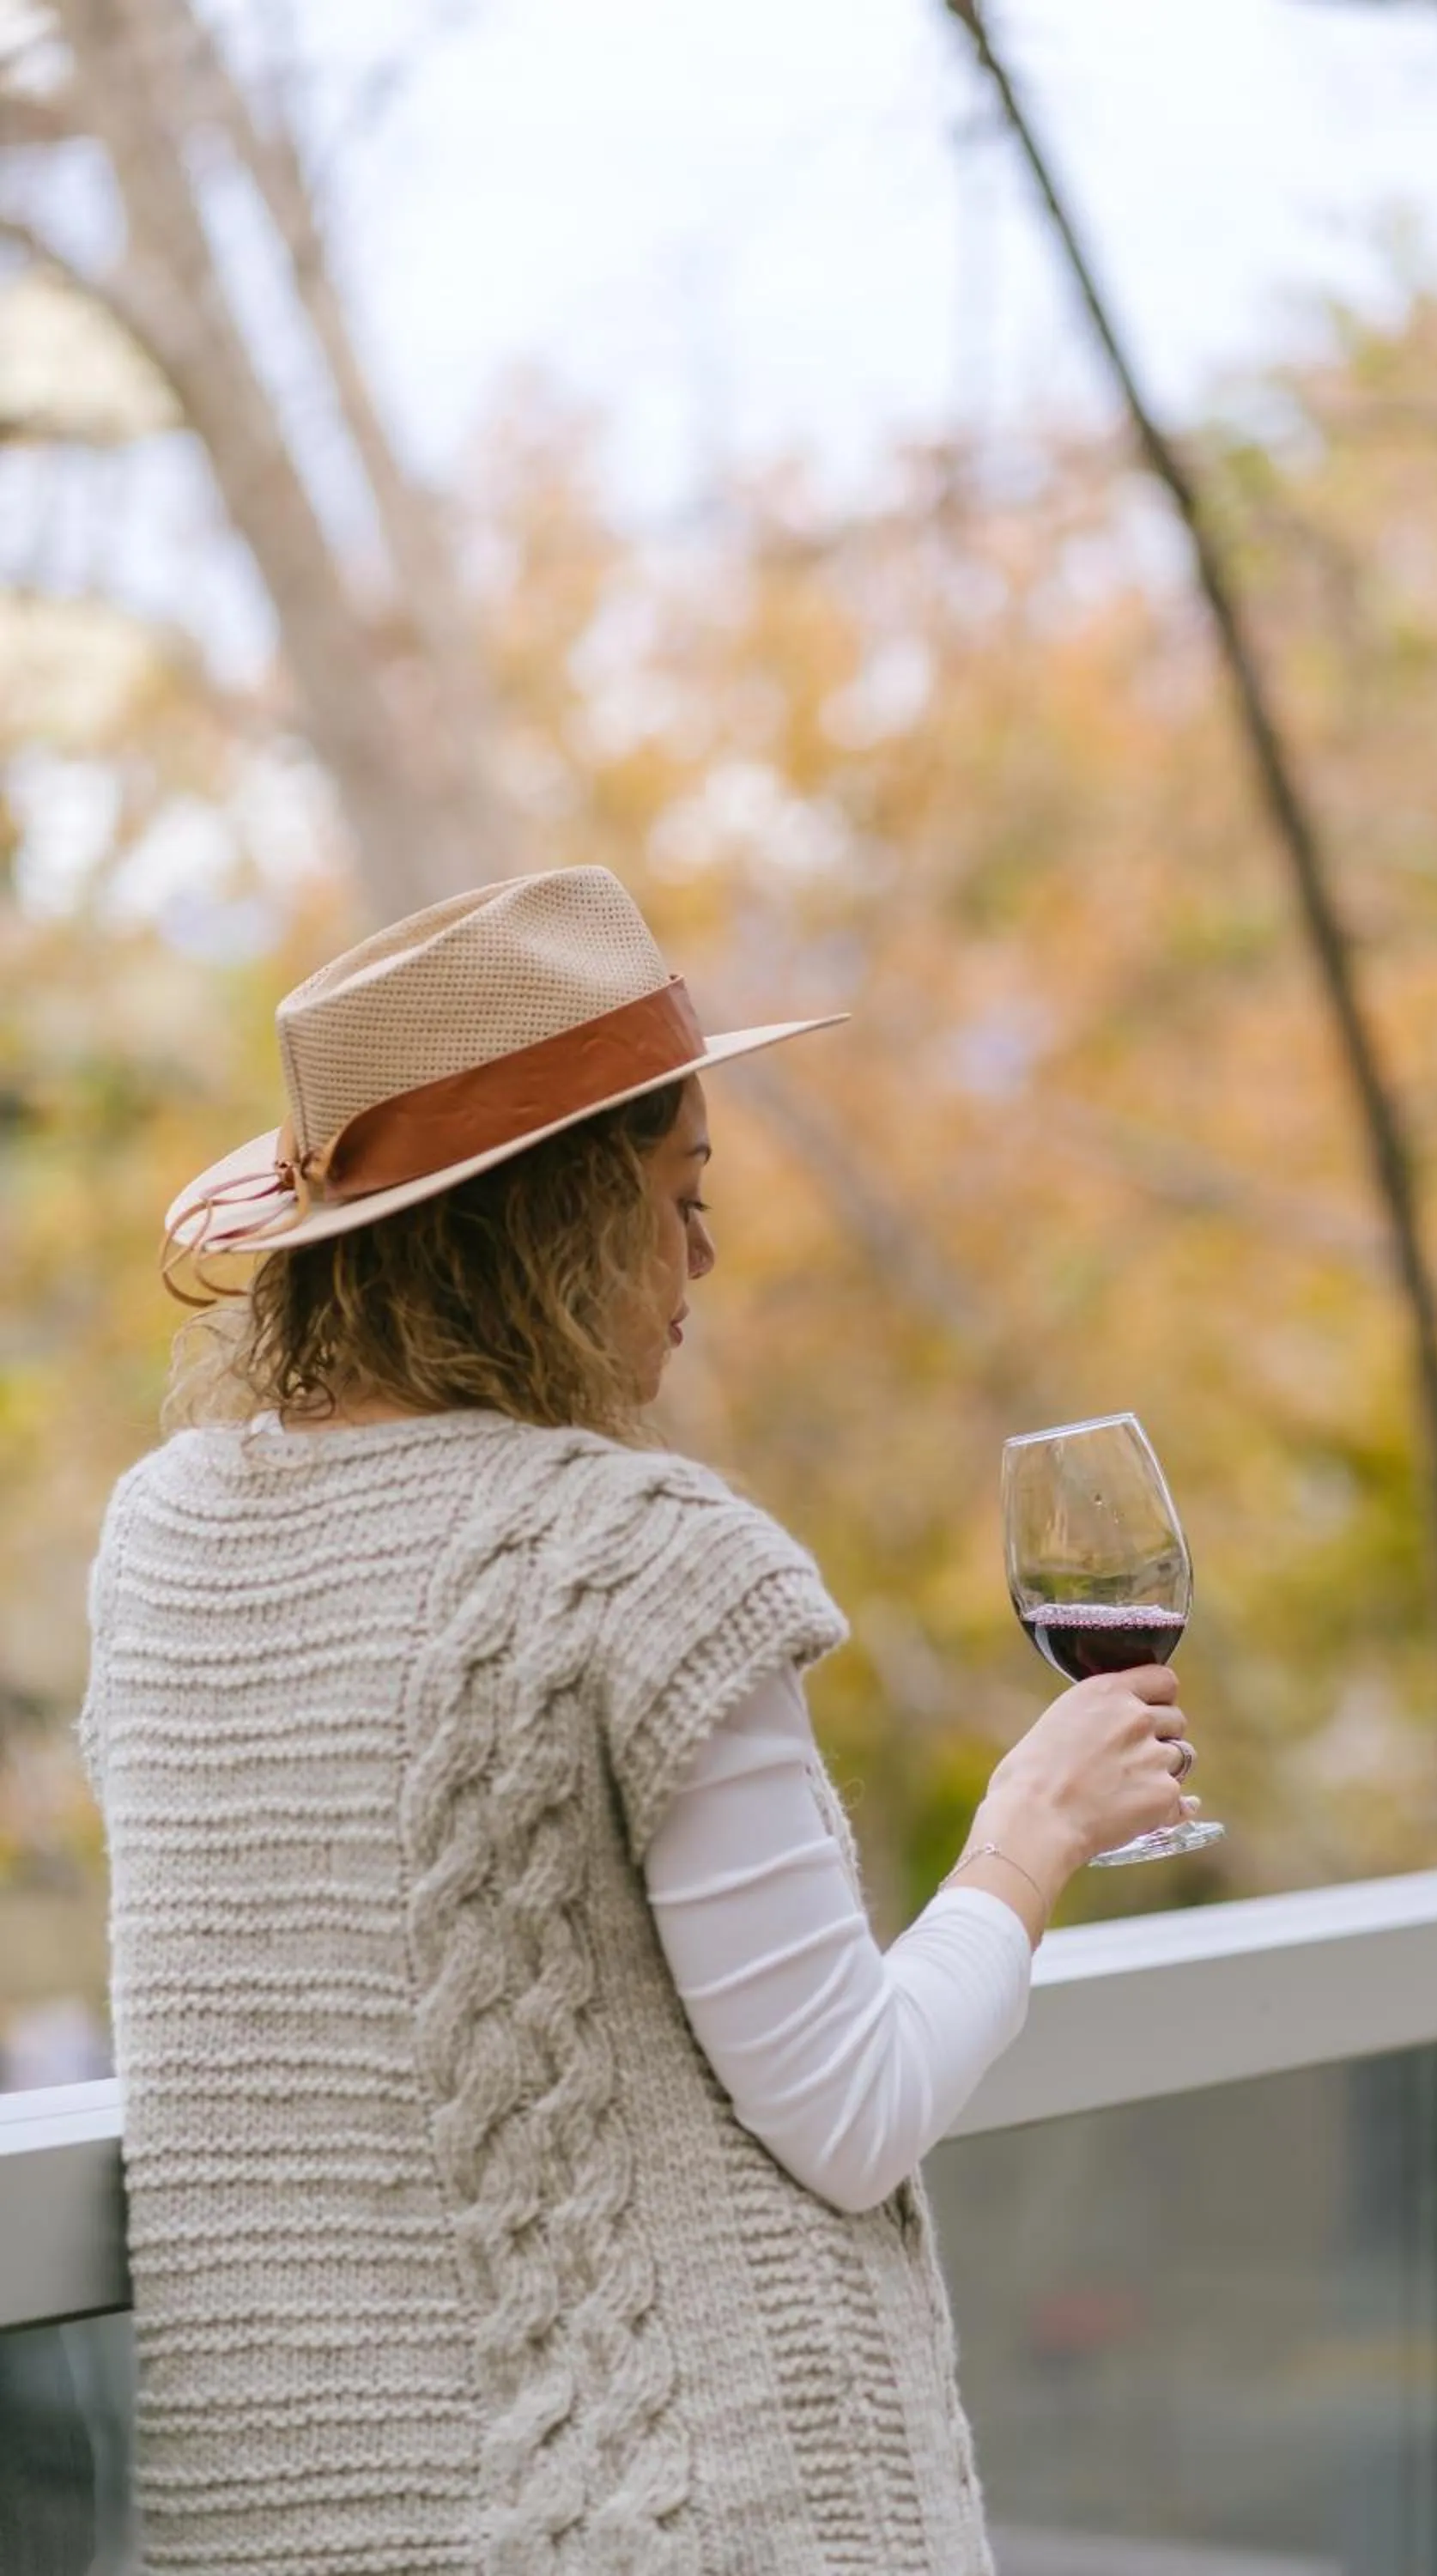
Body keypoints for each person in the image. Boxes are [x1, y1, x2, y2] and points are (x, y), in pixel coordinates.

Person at [78, 866, 1198, 2576]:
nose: (706, 1251)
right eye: (676, 1194)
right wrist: (1027, 1834)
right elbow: (852, 2105)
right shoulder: (643, 1565)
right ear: (560, 1216)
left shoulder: (160, 1546)